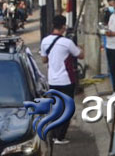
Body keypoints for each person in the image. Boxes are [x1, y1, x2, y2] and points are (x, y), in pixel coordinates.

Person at [40, 15, 85, 145]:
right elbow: (80, 55)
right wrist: (80, 46)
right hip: (66, 80)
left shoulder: (45, 41)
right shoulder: (67, 42)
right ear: (64, 27)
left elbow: (44, 59)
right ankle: (60, 136)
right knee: (68, 109)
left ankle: (53, 134)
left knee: (56, 108)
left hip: (52, 80)